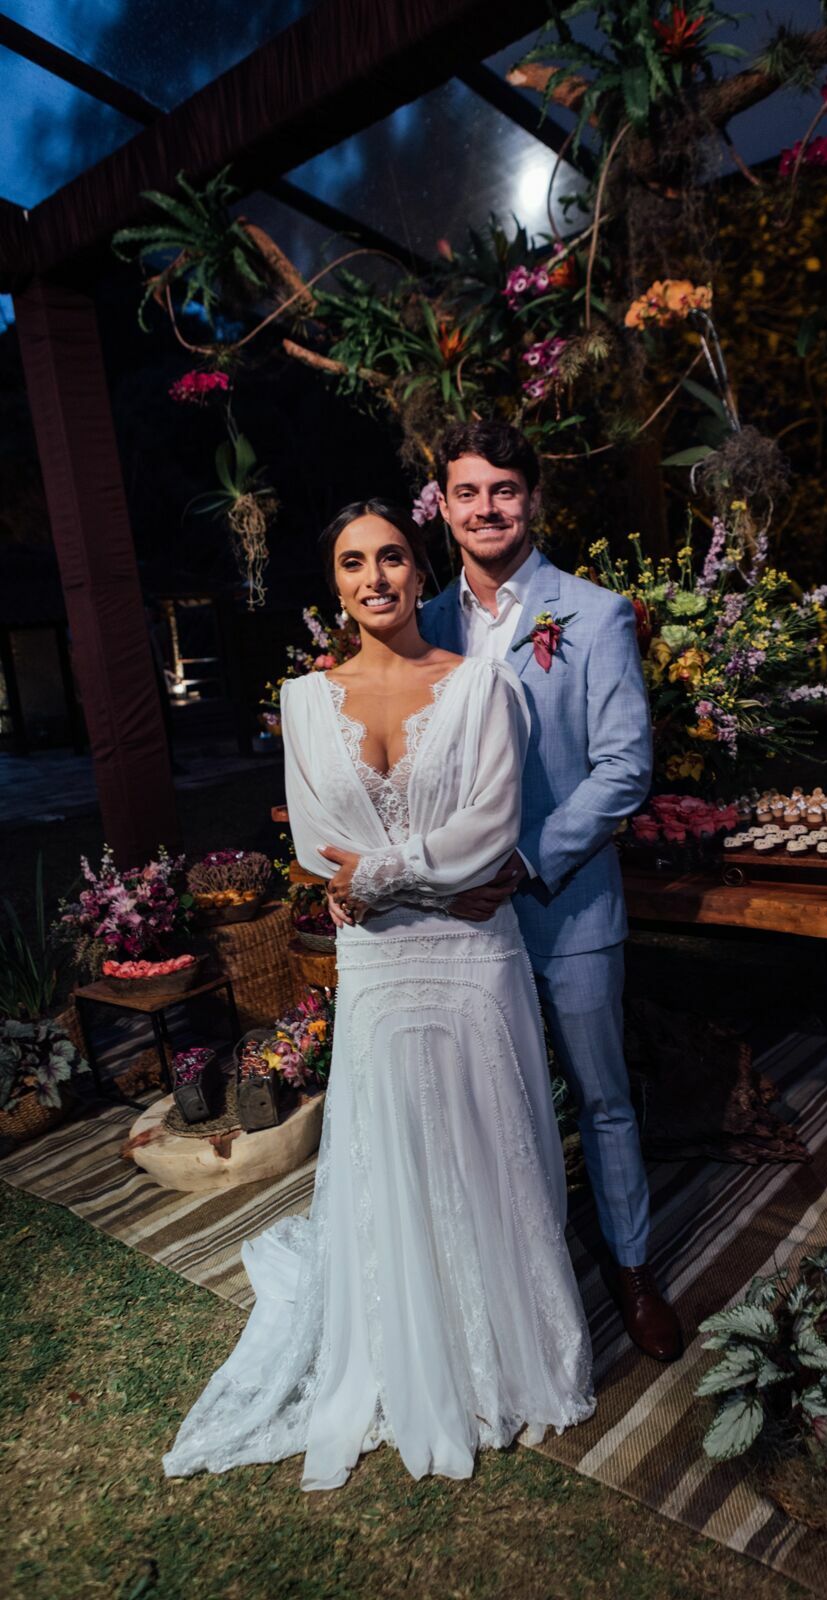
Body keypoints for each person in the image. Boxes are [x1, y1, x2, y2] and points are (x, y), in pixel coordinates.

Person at [163, 500, 594, 1491]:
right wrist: (397, 874)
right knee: (393, 1149)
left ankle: (515, 1355)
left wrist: (375, 877)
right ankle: (412, 1347)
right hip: (381, 967)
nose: (374, 577)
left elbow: (489, 832)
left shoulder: (481, 685)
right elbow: (318, 846)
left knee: (492, 1142)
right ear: (335, 583)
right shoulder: (305, 703)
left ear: (418, 566)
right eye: (353, 561)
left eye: (392, 555)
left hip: (471, 958)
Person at [418, 420, 682, 1364]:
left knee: (602, 1097)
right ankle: (511, 1274)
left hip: (564, 906)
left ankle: (634, 1267)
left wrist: (526, 861)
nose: (486, 508)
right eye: (466, 493)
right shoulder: (423, 624)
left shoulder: (594, 614)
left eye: (503, 490)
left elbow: (621, 770)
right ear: (441, 505)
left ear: (532, 498)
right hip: (455, 920)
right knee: (491, 1102)